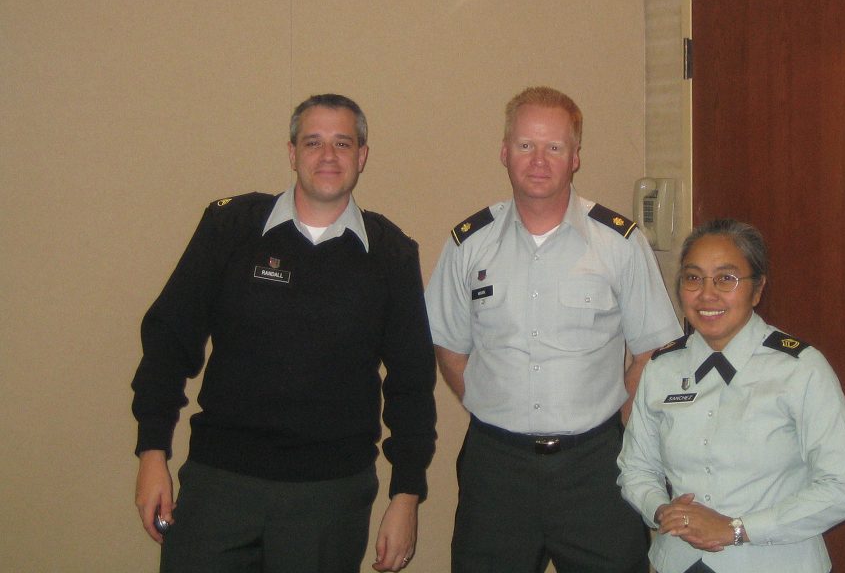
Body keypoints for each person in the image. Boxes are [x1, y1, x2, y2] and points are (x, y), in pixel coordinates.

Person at [131, 94, 437, 573]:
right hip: (219, 484)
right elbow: (169, 339)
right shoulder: (230, 227)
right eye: (313, 142)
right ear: (292, 153)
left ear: (362, 156)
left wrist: (407, 495)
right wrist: (152, 453)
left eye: (343, 143)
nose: (328, 155)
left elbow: (412, 384)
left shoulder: (390, 255)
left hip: (329, 497)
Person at [426, 86, 683, 573]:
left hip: (596, 468)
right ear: (505, 152)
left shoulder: (619, 242)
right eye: (526, 145)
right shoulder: (468, 245)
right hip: (496, 468)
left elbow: (654, 347)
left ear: (575, 157)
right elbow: (450, 346)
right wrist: (492, 401)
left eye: (554, 147)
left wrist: (620, 420)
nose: (539, 160)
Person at [617, 218, 845, 573]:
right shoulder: (662, 368)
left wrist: (738, 529)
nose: (707, 294)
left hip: (775, 563)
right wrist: (661, 509)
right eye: (693, 278)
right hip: (678, 561)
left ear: (757, 289)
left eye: (726, 279)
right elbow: (636, 467)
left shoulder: (800, 369)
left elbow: (844, 488)